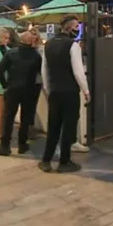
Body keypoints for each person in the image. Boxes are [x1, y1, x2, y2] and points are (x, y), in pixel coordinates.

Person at [39, 15, 90, 173]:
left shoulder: (48, 44)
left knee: (53, 125)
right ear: (70, 27)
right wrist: (86, 90)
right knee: (69, 126)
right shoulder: (73, 45)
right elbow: (78, 71)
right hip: (70, 91)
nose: (78, 29)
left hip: (54, 90)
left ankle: (46, 160)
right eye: (77, 26)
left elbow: (44, 69)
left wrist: (48, 88)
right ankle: (64, 161)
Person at [0, 31, 41, 156]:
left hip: (12, 88)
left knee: (8, 117)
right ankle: (22, 144)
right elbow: (40, 72)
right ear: (31, 42)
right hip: (30, 90)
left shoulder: (11, 53)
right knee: (26, 118)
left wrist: (5, 85)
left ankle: (5, 146)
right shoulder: (36, 55)